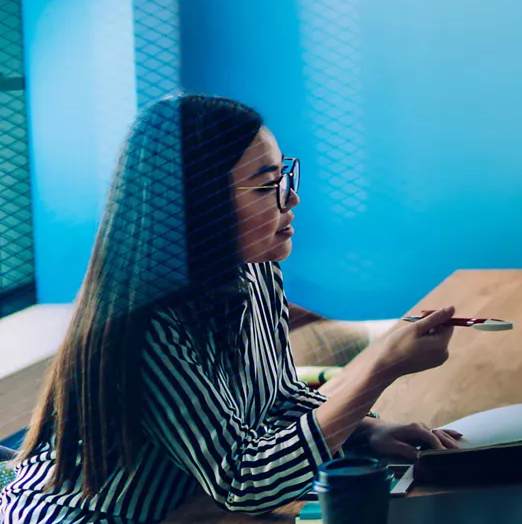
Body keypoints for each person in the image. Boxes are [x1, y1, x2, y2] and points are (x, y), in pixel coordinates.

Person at [0, 94, 465, 523]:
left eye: (283, 176)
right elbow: (246, 481)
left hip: (185, 512)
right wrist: (379, 366)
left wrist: (363, 431)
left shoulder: (254, 271)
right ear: (197, 206)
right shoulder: (151, 322)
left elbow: (277, 398)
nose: (292, 197)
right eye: (265, 187)